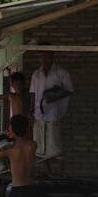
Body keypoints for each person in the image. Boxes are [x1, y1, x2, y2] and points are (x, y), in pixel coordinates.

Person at [29, 47, 74, 176]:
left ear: (52, 54)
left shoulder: (61, 72)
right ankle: (47, 174)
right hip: (39, 114)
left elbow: (69, 89)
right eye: (41, 55)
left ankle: (59, 174)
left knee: (56, 148)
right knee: (40, 149)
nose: (44, 58)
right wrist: (31, 110)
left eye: (46, 55)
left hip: (54, 114)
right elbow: (32, 93)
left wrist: (52, 94)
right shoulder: (36, 74)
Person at [0, 115, 38, 197]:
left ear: (13, 130)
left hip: (18, 190)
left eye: (10, 128)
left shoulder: (11, 151)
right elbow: (26, 138)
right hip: (32, 188)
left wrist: (5, 138)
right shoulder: (33, 145)